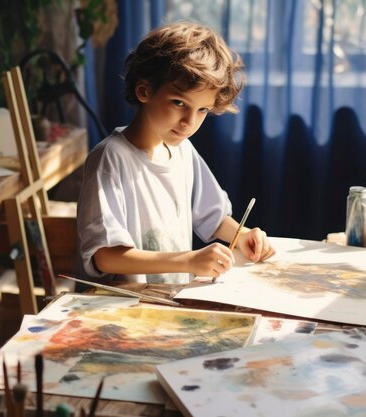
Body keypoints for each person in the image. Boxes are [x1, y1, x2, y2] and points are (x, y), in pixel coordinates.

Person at [77, 22, 274, 284]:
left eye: (202, 110)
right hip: (123, 310)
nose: (189, 122)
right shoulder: (110, 158)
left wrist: (243, 234)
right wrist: (190, 260)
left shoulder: (182, 151)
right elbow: (105, 256)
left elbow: (213, 217)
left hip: (169, 304)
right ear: (144, 90)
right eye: (179, 103)